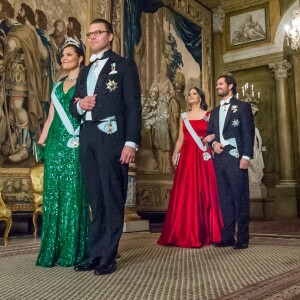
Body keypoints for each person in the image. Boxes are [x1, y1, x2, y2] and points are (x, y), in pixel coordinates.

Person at [69, 18, 142, 275]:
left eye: (98, 33)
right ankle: (95, 253)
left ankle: (108, 256)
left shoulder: (123, 66)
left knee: (111, 197)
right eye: (89, 35)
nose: (93, 37)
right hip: (87, 136)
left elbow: (133, 107)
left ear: (110, 36)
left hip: (111, 136)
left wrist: (130, 142)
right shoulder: (86, 70)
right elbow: (73, 105)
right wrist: (80, 105)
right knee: (95, 199)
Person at [36, 41, 89, 267]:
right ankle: (52, 250)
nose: (63, 58)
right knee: (54, 195)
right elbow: (50, 119)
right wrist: (41, 144)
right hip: (56, 144)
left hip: (75, 142)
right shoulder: (56, 88)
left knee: (74, 194)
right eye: (62, 55)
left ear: (80, 58)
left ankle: (73, 249)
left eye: (69, 54)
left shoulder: (86, 84)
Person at [157, 87, 223, 248]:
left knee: (205, 192)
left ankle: (207, 231)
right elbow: (180, 138)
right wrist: (174, 154)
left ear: (201, 97)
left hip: (202, 156)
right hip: (187, 158)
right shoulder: (183, 117)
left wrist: (211, 137)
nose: (190, 96)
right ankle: (183, 231)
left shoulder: (209, 115)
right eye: (189, 94)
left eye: (194, 94)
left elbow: (217, 133)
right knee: (186, 193)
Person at [207, 75, 255, 250]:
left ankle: (242, 237)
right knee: (224, 198)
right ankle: (227, 237)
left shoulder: (242, 107)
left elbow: (248, 133)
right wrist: (213, 144)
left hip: (236, 156)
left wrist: (246, 156)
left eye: (220, 84)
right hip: (219, 157)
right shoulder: (214, 111)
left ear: (230, 86)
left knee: (240, 197)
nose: (217, 86)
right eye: (217, 84)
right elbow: (209, 133)